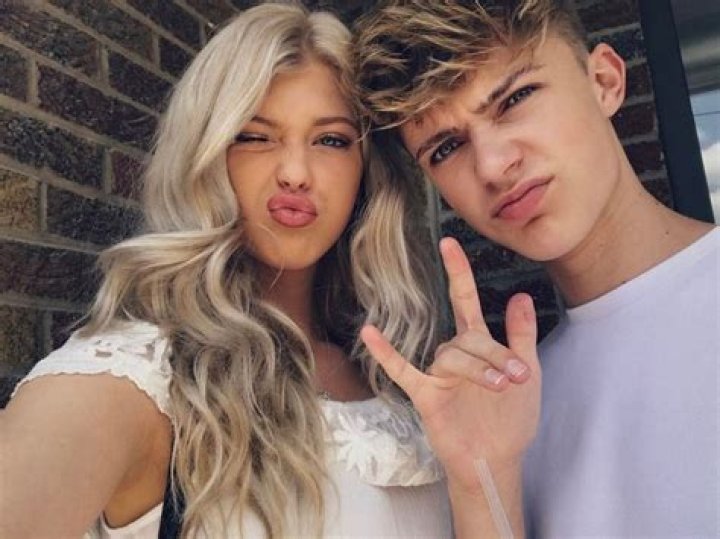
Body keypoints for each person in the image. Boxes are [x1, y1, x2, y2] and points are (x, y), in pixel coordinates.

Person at [0, 2, 542, 538]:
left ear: (365, 171)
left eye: (331, 140)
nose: (295, 172)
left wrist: (486, 478)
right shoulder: (143, 375)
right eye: (255, 136)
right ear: (206, 152)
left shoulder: (404, 376)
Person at [352, 0, 719, 537]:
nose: (492, 166)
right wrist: (484, 482)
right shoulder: (508, 407)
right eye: (446, 148)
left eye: (514, 99)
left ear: (604, 81)